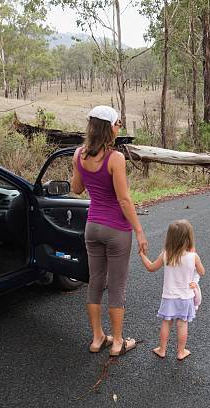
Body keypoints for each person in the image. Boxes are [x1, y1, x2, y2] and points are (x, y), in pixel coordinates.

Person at [71, 105, 148, 357]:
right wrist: (139, 231)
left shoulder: (78, 154)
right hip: (116, 229)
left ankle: (96, 338)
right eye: (117, 124)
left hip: (92, 227)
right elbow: (124, 200)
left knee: (94, 283)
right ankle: (117, 342)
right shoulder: (115, 158)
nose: (119, 128)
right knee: (117, 286)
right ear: (108, 128)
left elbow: (77, 189)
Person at [139, 219, 205, 361]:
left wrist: (142, 255)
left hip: (169, 297)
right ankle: (181, 352)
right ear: (189, 238)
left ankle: (162, 349)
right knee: (182, 325)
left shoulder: (166, 255)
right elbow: (202, 272)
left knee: (166, 323)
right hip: (186, 297)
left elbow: (151, 268)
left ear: (170, 238)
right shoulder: (193, 257)